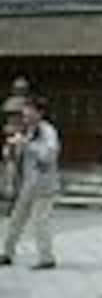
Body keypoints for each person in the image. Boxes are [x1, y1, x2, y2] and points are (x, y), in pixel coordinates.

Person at [0, 97, 60, 270]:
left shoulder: (48, 131)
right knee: (16, 219)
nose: (25, 114)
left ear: (39, 113)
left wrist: (26, 145)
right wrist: (11, 149)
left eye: (29, 110)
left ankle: (46, 258)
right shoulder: (26, 130)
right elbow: (19, 156)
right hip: (26, 183)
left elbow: (50, 155)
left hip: (44, 184)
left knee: (41, 221)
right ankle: (7, 253)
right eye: (24, 111)